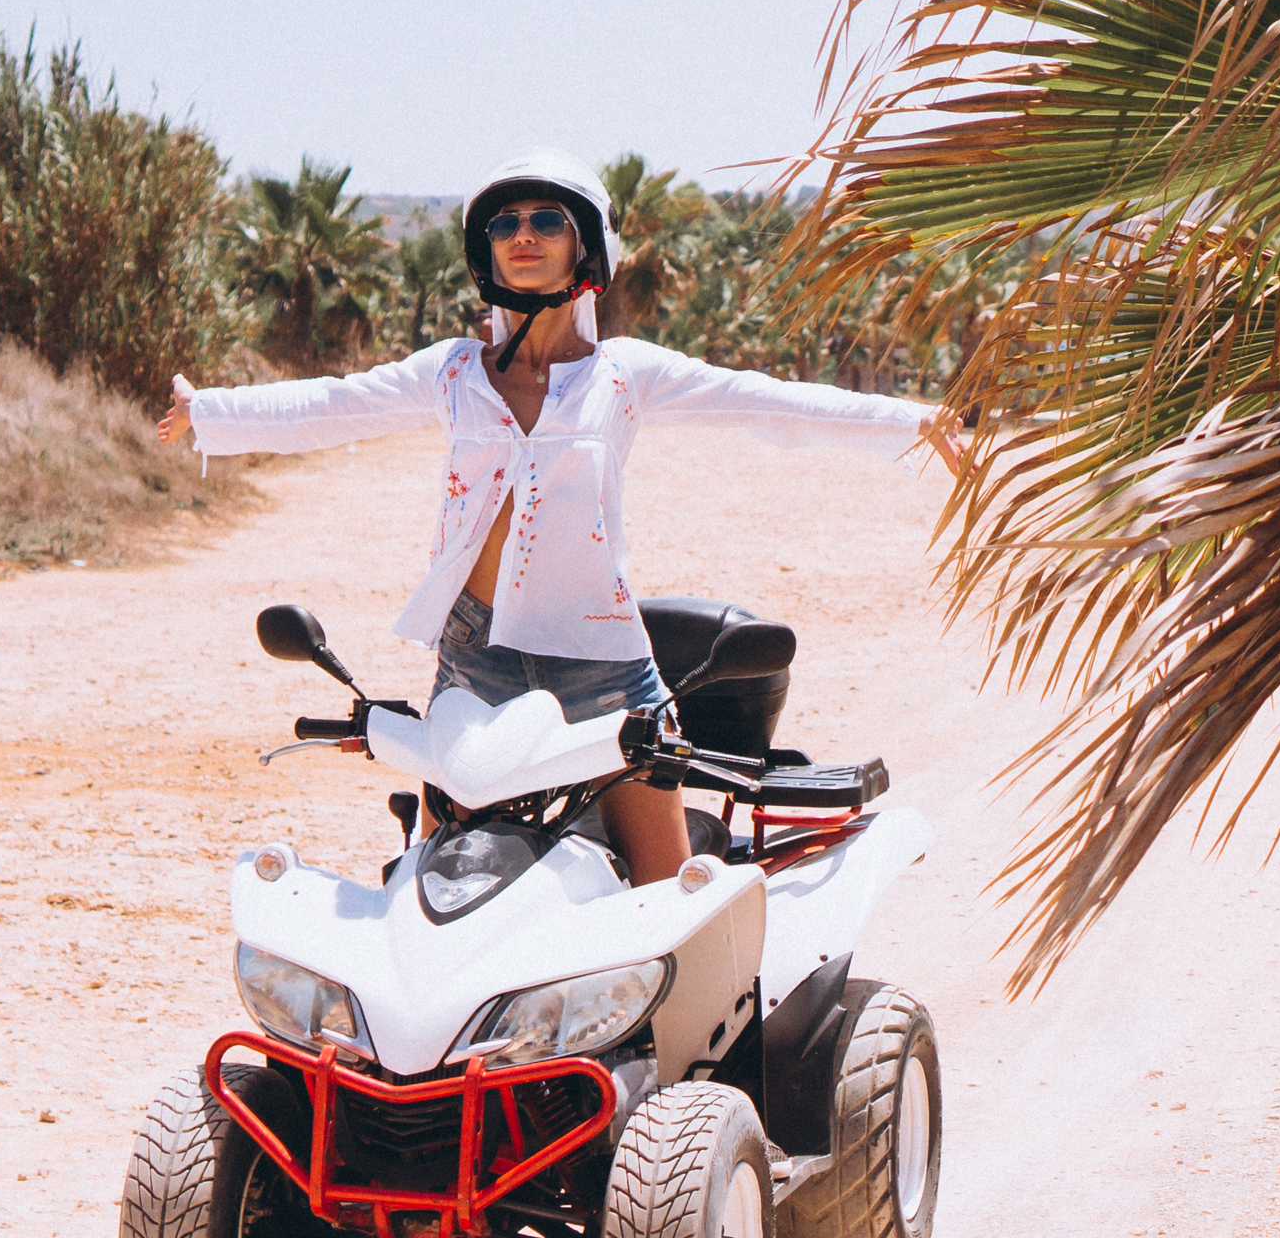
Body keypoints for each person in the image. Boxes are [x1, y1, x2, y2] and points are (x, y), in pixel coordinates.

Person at [157, 149, 955, 884]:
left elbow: (767, 403)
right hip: (476, 656)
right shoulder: (453, 373)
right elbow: (333, 405)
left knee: (666, 892)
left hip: (602, 661)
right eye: (505, 224)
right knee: (432, 881)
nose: (523, 236)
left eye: (547, 220)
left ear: (586, 247)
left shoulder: (625, 376)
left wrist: (912, 420)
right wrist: (210, 411)